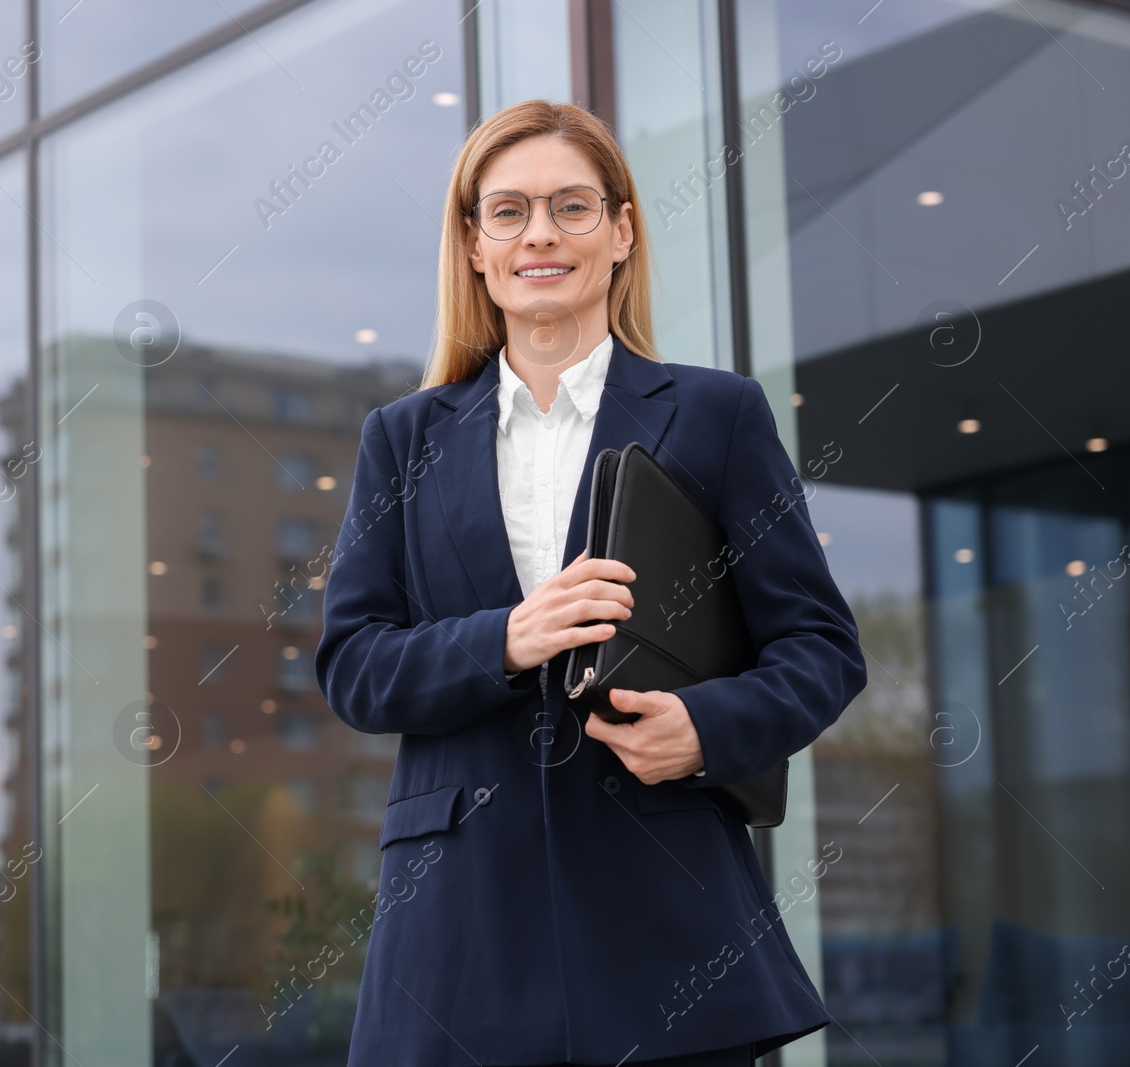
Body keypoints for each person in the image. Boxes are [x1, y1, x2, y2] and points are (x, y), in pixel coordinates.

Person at [313, 99, 868, 1066]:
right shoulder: (400, 438)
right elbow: (354, 666)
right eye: (509, 210)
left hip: (665, 921)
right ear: (475, 245)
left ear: (620, 233)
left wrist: (706, 730)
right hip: (458, 931)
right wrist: (506, 637)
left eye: (572, 207)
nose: (541, 234)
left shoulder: (717, 414)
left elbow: (821, 649)